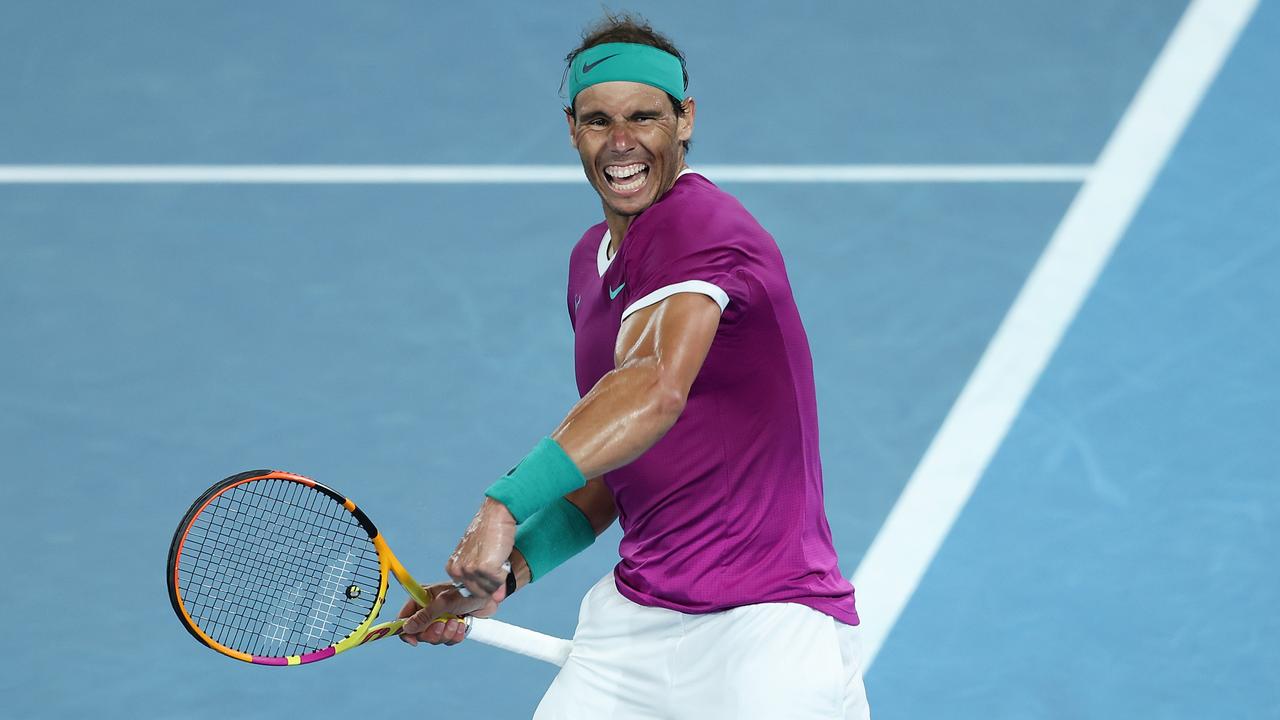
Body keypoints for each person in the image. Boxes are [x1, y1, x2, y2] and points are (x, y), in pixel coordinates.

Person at [399, 13, 870, 719]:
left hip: (767, 630)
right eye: (598, 121)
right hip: (633, 629)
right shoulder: (588, 264)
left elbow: (653, 392)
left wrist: (503, 505)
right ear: (571, 130)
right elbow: (619, 474)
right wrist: (505, 574)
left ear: (684, 120)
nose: (621, 143)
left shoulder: (703, 227)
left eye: (644, 116)